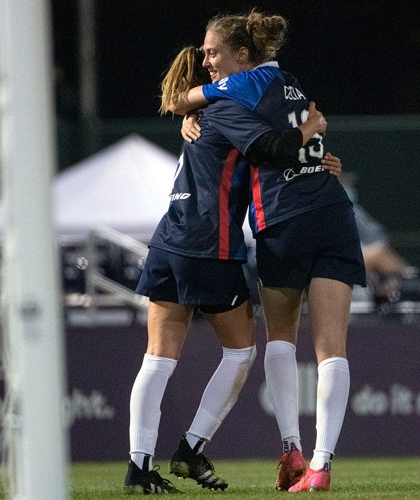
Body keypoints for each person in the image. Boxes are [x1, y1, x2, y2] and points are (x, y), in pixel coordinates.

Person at [165, 9, 367, 493]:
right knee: (332, 348)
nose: (206, 61)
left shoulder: (244, 85)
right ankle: (321, 466)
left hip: (283, 218)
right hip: (334, 211)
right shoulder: (293, 84)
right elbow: (307, 136)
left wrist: (191, 114)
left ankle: (291, 450)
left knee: (281, 338)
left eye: (213, 53)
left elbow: (177, 99)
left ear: (242, 53)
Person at [125, 45, 341, 494]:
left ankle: (139, 466)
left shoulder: (204, 115)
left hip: (167, 240)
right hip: (209, 246)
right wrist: (311, 133)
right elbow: (272, 147)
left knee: (157, 358)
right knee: (240, 353)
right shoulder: (229, 110)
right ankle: (188, 448)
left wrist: (317, 161)